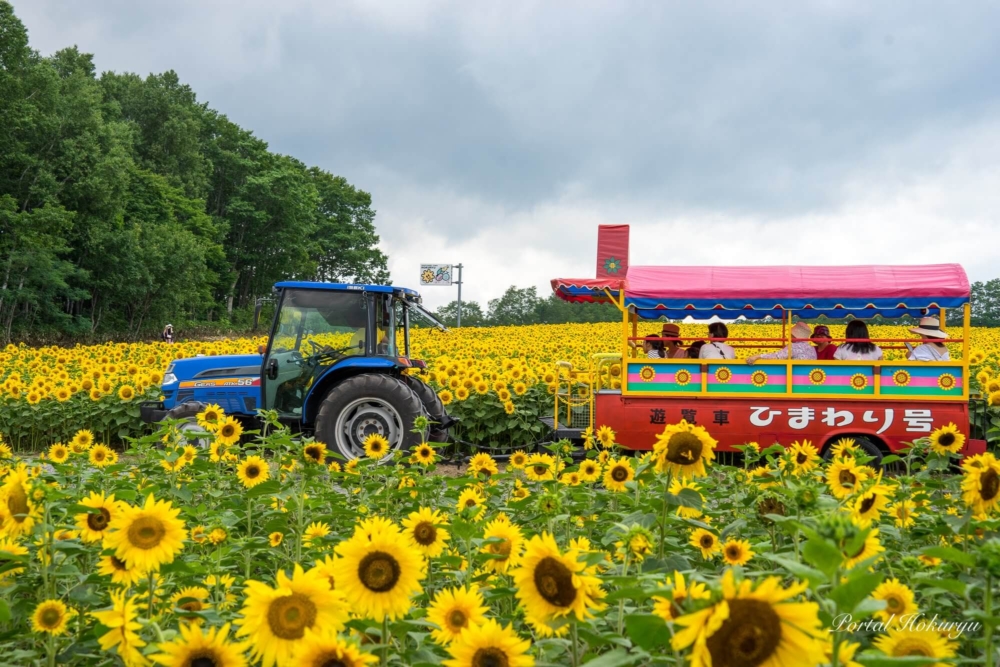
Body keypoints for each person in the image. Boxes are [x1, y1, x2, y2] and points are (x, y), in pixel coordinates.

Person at [746, 321, 817, 364]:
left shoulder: (794, 347)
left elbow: (777, 357)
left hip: (795, 378)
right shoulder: (811, 348)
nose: (789, 336)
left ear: (794, 335)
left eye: (791, 334)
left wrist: (758, 356)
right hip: (808, 378)